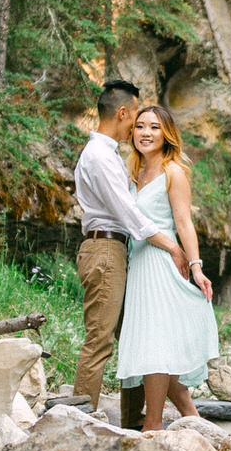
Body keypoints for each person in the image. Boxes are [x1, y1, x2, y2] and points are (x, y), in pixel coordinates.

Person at [72, 80, 184, 415]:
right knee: (100, 339)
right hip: (105, 251)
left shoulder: (108, 155)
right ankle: (77, 420)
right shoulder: (99, 157)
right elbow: (129, 214)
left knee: (133, 335)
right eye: (135, 117)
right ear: (122, 113)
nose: (137, 126)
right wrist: (172, 247)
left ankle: (134, 419)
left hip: (116, 251)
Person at [114, 104, 218, 430]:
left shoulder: (173, 172)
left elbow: (184, 223)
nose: (146, 133)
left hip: (161, 263)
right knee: (154, 344)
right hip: (137, 264)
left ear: (167, 134)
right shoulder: (132, 173)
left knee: (156, 343)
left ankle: (153, 426)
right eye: (140, 126)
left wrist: (197, 267)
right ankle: (194, 421)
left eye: (154, 127)